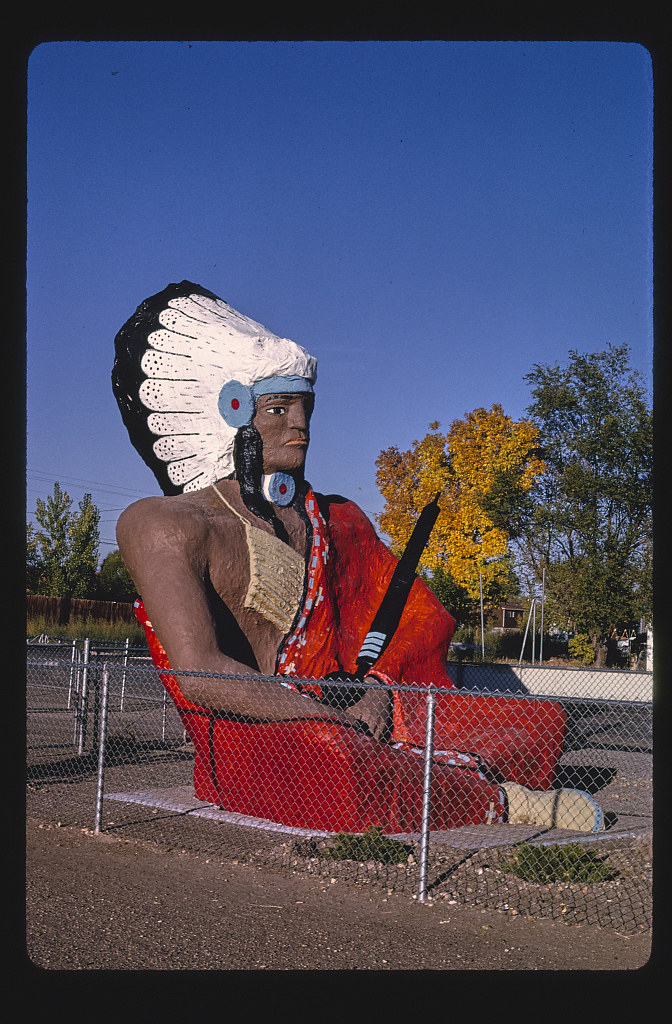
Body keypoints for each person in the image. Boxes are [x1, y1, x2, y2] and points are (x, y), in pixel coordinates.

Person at [113, 281, 605, 834]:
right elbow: (199, 674)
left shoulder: (336, 519)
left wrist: (373, 693)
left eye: (306, 407)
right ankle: (501, 802)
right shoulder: (159, 523)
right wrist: (336, 719)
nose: (300, 425)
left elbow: (396, 628)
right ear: (232, 410)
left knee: (535, 721)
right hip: (257, 732)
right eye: (278, 407)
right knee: (338, 759)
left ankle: (439, 778)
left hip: (353, 703)